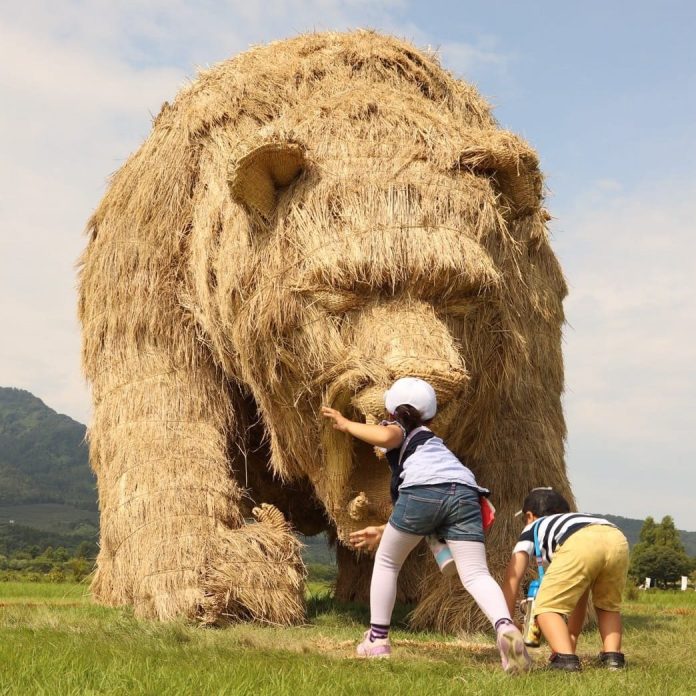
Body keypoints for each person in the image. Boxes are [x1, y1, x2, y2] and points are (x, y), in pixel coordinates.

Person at [321, 377, 530, 673]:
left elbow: (388, 443)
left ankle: (377, 639)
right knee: (476, 574)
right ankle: (505, 626)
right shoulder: (433, 443)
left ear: (393, 411)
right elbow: (430, 506)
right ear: (430, 415)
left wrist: (346, 424)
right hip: (466, 493)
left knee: (388, 562)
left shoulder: (400, 429)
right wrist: (384, 530)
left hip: (423, 493)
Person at [502, 487, 629, 671]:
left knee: (545, 607)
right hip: (616, 538)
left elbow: (513, 578)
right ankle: (613, 658)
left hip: (580, 542)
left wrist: (505, 623)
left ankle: (565, 661)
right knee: (607, 606)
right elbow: (581, 594)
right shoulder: (576, 520)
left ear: (529, 516)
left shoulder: (533, 527)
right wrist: (571, 637)